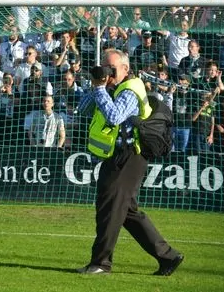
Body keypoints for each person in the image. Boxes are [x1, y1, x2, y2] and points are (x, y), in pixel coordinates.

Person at [76, 49, 183, 276]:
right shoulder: (110, 87)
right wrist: (97, 86)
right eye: (104, 67)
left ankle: (101, 263)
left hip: (130, 156)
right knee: (126, 212)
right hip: (117, 156)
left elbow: (115, 116)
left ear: (125, 69)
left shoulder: (130, 89)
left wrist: (100, 90)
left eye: (111, 68)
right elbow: (82, 109)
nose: (107, 72)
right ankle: (168, 257)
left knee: (109, 208)